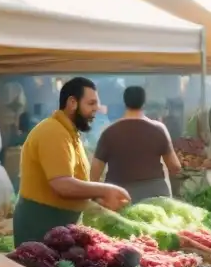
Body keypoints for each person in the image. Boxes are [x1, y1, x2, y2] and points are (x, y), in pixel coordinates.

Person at [14, 78, 130, 245]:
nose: (96, 109)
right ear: (72, 102)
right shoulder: (53, 132)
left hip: (58, 227)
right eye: (91, 103)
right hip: (41, 226)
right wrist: (105, 190)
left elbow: (75, 182)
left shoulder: (69, 134)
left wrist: (97, 199)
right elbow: (63, 185)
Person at [91, 86, 181, 203]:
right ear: (144, 102)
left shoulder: (109, 131)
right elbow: (175, 166)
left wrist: (95, 198)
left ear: (125, 102)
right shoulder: (159, 129)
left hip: (119, 197)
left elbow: (94, 174)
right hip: (156, 197)